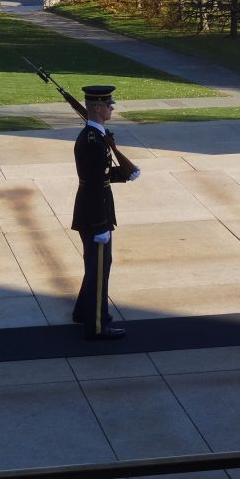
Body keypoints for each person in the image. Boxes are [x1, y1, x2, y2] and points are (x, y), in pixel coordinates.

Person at [71, 85, 140, 340]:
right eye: (108, 103)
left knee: (95, 266)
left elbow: (99, 176)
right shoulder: (93, 142)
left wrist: (124, 173)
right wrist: (100, 225)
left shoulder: (96, 137)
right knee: (100, 269)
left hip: (93, 212)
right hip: (94, 215)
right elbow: (91, 186)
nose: (112, 106)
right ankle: (98, 325)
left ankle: (82, 312)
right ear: (97, 107)